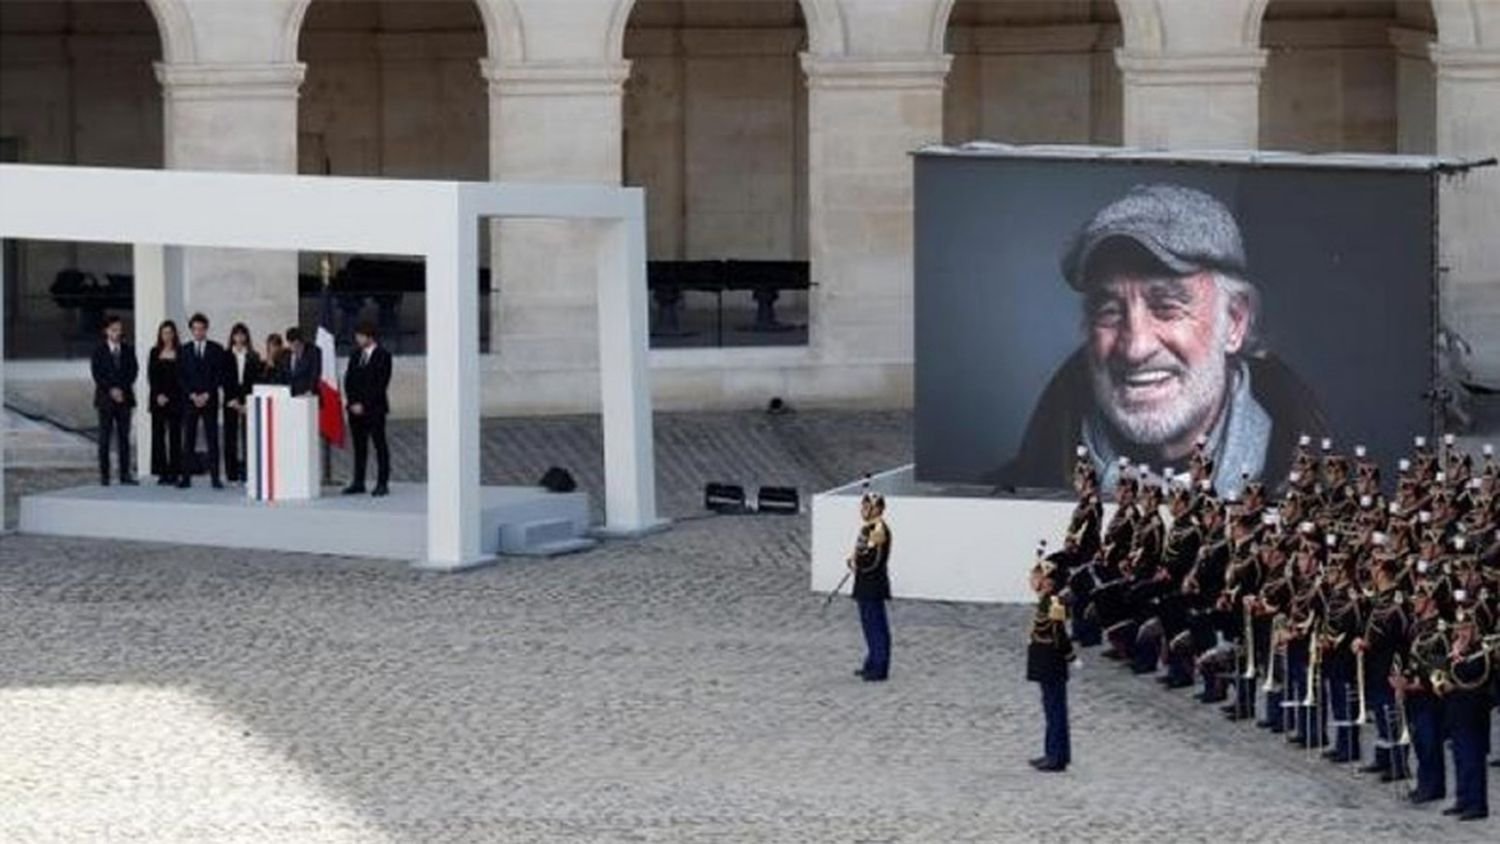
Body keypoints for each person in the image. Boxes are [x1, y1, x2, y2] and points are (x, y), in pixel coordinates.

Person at [990, 183, 1328, 496]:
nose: (1136, 348)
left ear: (1234, 323)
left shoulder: (1339, 513)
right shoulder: (1001, 504)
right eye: (1109, 311)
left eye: (1166, 307)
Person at [1028, 554, 1075, 772]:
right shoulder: (1045, 600)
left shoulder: (1053, 602)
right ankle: (1052, 752)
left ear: (1049, 581)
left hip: (1051, 661)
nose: (1033, 580)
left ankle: (1056, 756)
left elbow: (1058, 635)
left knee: (1055, 710)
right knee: (1051, 708)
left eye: (1038, 577)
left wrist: (1070, 656)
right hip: (1044, 659)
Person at [342, 320, 392, 497]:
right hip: (355, 410)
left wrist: (364, 404)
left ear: (369, 336)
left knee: (379, 445)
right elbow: (349, 380)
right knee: (359, 446)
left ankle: (382, 483)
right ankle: (358, 481)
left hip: (374, 409)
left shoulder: (383, 355)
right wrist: (352, 403)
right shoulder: (356, 355)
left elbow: (380, 384)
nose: (357, 339)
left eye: (360, 336)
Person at [847, 491, 892, 682]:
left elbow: (875, 559)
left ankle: (879, 666)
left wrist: (858, 563)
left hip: (872, 585)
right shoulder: (868, 528)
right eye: (863, 507)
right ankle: (872, 661)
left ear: (878, 509)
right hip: (865, 584)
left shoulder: (879, 529)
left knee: (875, 626)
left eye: (868, 507)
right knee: (869, 625)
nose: (864, 510)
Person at [90, 315, 138, 486]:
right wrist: (111, 389)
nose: (117, 333)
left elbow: (133, 371)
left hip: (125, 399)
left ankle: (124, 473)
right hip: (105, 399)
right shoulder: (99, 351)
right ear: (106, 331)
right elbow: (97, 374)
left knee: (124, 437)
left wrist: (121, 389)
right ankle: (105, 475)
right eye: (113, 330)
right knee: (104, 438)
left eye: (119, 329)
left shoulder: (127, 349)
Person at [179, 312, 226, 489]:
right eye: (195, 329)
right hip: (190, 401)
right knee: (188, 439)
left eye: (201, 328)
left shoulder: (216, 349)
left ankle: (215, 477)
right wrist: (192, 394)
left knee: (212, 438)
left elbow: (219, 374)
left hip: (209, 399)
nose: (198, 332)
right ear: (191, 330)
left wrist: (207, 394)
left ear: (206, 329)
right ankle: (186, 477)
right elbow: (181, 376)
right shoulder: (184, 350)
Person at [221, 323, 260, 484]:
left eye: (242, 334)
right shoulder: (225, 355)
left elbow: (255, 380)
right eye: (236, 335)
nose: (239, 338)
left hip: (248, 399)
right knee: (230, 437)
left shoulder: (253, 356)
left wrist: (247, 402)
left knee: (248, 437)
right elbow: (223, 378)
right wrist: (232, 400)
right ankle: (231, 473)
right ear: (232, 337)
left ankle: (248, 473)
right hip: (230, 399)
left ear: (246, 337)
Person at [147, 320, 185, 486]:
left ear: (174, 334)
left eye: (170, 332)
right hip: (158, 400)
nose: (167, 336)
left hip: (175, 399)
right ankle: (162, 472)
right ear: (160, 335)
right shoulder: (154, 352)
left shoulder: (181, 352)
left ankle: (175, 472)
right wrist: (158, 395)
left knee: (175, 437)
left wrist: (169, 395)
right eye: (164, 333)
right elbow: (151, 376)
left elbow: (182, 377)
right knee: (158, 436)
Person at [285, 326, 321, 398]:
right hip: (292, 396)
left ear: (297, 341)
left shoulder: (313, 352)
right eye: (289, 343)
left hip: (308, 395)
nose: (290, 346)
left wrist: (310, 390)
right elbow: (287, 374)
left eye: (292, 343)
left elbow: (315, 373)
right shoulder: (287, 354)